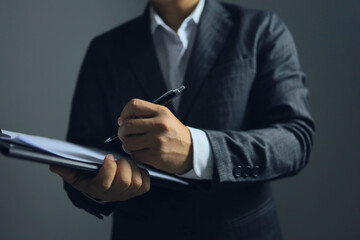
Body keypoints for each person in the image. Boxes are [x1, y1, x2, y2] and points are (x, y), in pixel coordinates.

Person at [50, 0, 315, 239]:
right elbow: (81, 157)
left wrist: (197, 150)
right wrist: (98, 189)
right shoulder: (104, 50)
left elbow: (294, 140)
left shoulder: (261, 29)